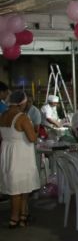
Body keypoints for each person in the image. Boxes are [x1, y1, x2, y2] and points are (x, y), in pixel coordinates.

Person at [0, 91, 40, 228]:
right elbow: (32, 138)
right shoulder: (22, 117)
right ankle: (15, 218)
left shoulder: (3, 115)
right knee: (18, 189)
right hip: (21, 155)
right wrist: (36, 131)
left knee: (19, 186)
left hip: (8, 153)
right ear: (21, 102)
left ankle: (23, 215)